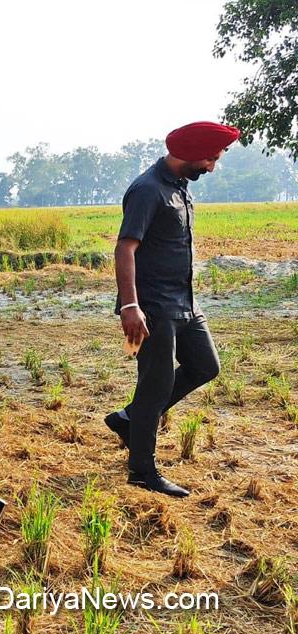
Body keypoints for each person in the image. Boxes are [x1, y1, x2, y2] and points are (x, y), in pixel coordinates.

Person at [104, 121, 238, 498]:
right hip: (153, 307)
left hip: (185, 303)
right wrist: (130, 305)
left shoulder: (179, 188)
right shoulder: (148, 190)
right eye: (211, 159)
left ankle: (131, 420)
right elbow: (125, 248)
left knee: (206, 366)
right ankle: (142, 471)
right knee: (155, 385)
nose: (213, 166)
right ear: (191, 152)